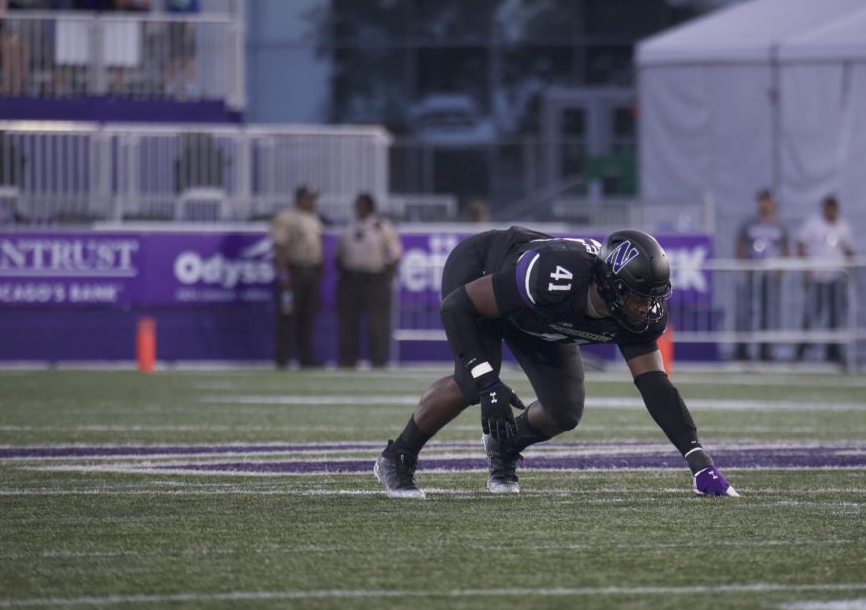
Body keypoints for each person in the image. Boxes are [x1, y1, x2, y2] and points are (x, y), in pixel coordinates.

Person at [372, 227, 739, 499]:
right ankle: (398, 456)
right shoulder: (554, 276)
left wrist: (698, 459)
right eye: (638, 297)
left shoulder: (643, 314)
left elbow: (656, 386)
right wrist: (487, 384)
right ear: (610, 285)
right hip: (482, 274)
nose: (647, 307)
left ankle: (505, 446)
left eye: (653, 297)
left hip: (540, 317)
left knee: (564, 411)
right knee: (472, 382)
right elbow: (457, 306)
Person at [335, 193, 403, 368]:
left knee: (377, 322)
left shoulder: (382, 226)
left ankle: (379, 360)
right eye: (358, 205)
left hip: (375, 279)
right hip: (351, 279)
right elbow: (339, 254)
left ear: (370, 207)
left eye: (362, 205)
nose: (359, 209)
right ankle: (349, 360)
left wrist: (388, 273)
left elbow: (395, 253)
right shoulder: (350, 227)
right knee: (349, 322)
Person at [270, 185, 325, 369]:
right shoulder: (287, 217)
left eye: (313, 198)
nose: (312, 202)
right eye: (308, 198)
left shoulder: (314, 219)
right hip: (294, 273)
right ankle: (282, 358)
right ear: (299, 198)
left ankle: (306, 358)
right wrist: (284, 274)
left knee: (308, 318)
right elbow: (279, 247)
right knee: (287, 317)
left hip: (311, 272)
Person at [796, 195, 854, 363]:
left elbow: (848, 249)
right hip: (817, 277)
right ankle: (801, 350)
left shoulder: (843, 226)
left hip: (836, 278)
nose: (831, 212)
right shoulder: (813, 224)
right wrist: (805, 267)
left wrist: (853, 265)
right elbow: (801, 244)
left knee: (835, 317)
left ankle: (833, 351)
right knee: (811, 314)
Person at [734, 189, 787, 361]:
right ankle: (743, 350)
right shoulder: (749, 224)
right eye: (761, 201)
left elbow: (785, 249)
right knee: (748, 311)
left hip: (770, 276)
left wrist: (781, 270)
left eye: (767, 201)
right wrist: (744, 266)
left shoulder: (779, 225)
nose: (764, 205)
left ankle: (767, 350)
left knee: (769, 312)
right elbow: (740, 245)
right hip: (752, 274)